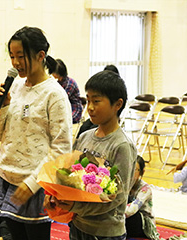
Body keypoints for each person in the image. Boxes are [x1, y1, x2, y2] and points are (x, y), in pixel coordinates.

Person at [0, 26, 72, 240]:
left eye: (21, 56)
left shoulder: (55, 95)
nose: (15, 63)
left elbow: (62, 148)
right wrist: (2, 107)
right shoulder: (14, 86)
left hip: (34, 185)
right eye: (12, 56)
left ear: (41, 56)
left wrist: (32, 184)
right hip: (6, 179)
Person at [45, 70, 137, 239]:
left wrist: (76, 206)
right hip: (78, 225)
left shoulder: (122, 145)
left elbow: (118, 198)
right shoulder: (85, 136)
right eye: (88, 101)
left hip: (106, 232)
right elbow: (69, 174)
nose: (90, 108)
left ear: (117, 104)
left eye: (96, 101)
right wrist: (55, 195)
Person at [76, 65, 120, 139]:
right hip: (97, 118)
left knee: (93, 129)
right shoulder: (100, 87)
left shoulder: (116, 90)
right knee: (84, 127)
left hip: (105, 119)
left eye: (96, 101)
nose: (90, 108)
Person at [125, 156, 159, 240]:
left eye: (135, 169)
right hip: (126, 217)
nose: (130, 172)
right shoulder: (124, 183)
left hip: (143, 224)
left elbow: (131, 210)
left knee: (132, 215)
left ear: (141, 172)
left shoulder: (145, 189)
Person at [52, 59, 83, 123]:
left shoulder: (70, 83)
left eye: (54, 72)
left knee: (63, 121)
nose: (52, 74)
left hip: (74, 109)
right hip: (64, 108)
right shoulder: (59, 82)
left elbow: (61, 99)